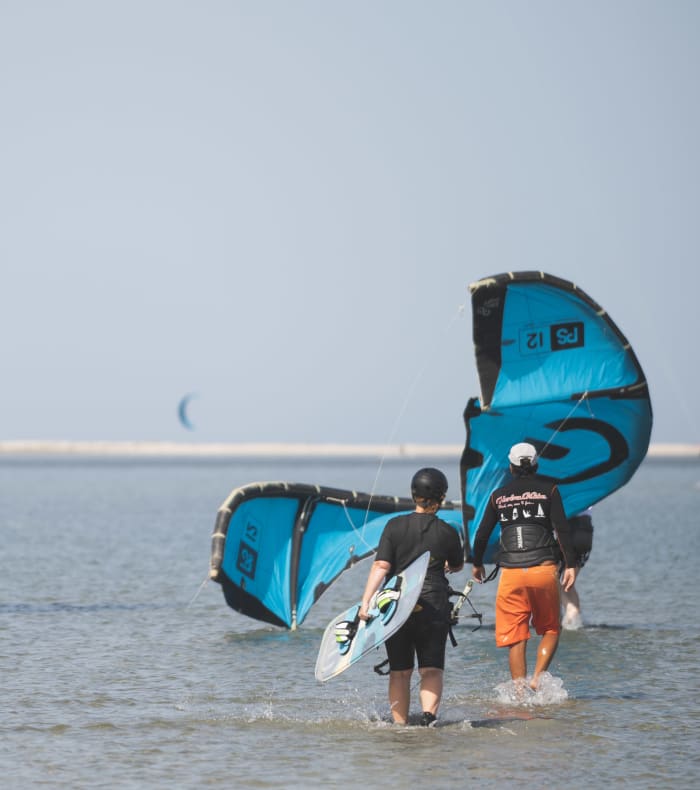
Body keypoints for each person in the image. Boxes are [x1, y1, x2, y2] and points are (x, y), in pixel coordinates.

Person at [358, 467, 463, 726]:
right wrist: (447, 565)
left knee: (400, 672)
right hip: (433, 605)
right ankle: (428, 722)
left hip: (397, 606)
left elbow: (380, 566)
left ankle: (400, 727)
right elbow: (457, 564)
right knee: (431, 669)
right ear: (441, 497)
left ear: (413, 494)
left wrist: (366, 601)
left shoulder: (394, 526)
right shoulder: (448, 531)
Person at [471, 443, 577, 690]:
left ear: (511, 467)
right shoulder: (549, 490)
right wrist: (570, 563)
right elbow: (562, 529)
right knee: (551, 629)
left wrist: (477, 563)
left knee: (516, 637)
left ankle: (518, 691)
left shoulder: (498, 496)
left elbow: (482, 533)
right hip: (543, 570)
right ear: (536, 465)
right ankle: (538, 679)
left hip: (511, 574)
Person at [560, 508, 594, 630]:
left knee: (550, 581)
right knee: (569, 584)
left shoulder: (559, 490)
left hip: (568, 530)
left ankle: (571, 610)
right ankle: (576, 619)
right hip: (586, 532)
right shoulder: (586, 492)